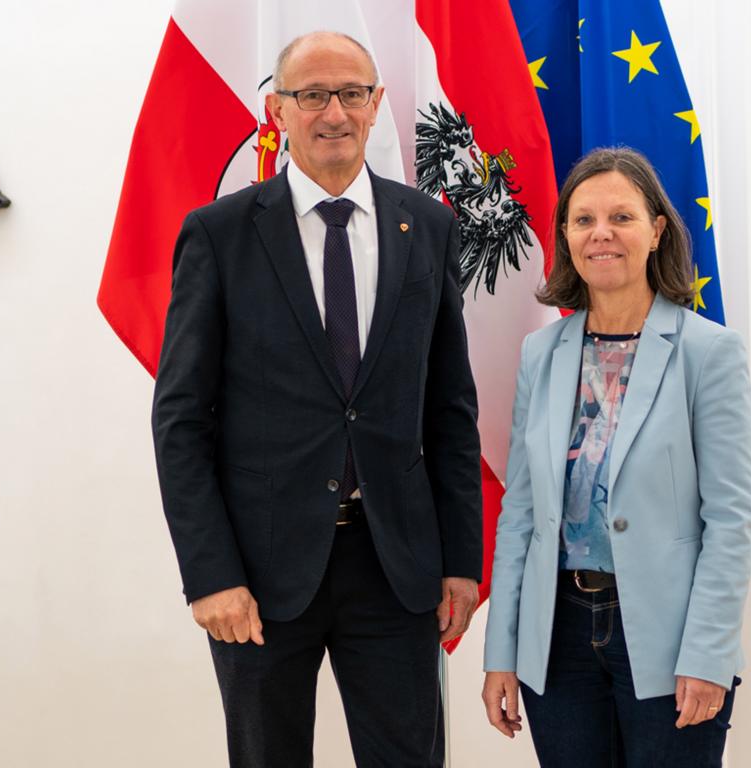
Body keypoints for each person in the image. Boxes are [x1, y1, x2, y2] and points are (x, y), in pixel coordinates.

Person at [152, 31, 483, 768]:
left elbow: (451, 409)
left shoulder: (427, 226)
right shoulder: (219, 234)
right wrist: (212, 575)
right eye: (311, 95)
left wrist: (462, 557)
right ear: (276, 110)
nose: (333, 111)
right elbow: (180, 421)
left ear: (377, 105)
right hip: (261, 575)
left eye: (351, 94)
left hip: (396, 568)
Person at [481, 147, 751, 767]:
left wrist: (709, 654)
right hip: (558, 638)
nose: (600, 234)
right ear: (566, 237)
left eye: (621, 218)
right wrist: (502, 651)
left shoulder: (708, 354)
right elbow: (521, 513)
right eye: (583, 220)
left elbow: (731, 521)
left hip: (667, 637)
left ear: (657, 230)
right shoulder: (540, 353)